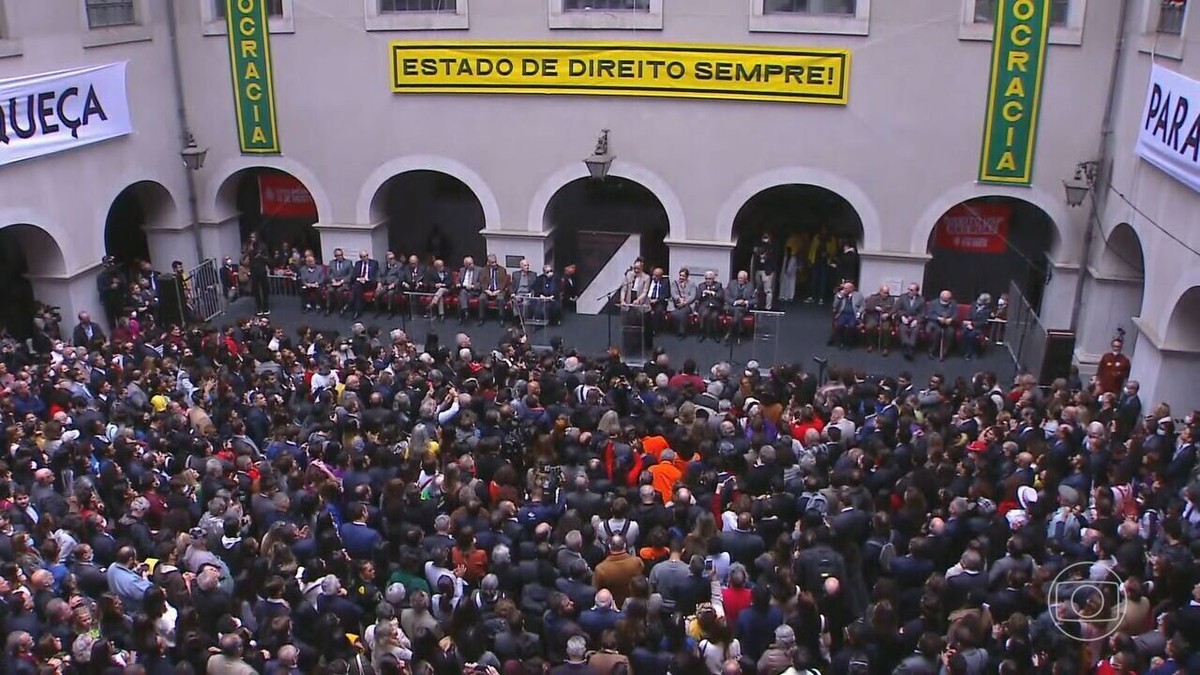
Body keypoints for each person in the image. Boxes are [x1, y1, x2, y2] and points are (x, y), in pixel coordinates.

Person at [896, 283, 926, 360]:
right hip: (904, 318)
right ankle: (906, 345)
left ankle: (911, 347)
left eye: (911, 290)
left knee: (915, 330)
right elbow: (898, 309)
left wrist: (916, 320)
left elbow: (922, 313)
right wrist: (902, 317)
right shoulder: (902, 297)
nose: (909, 291)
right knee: (903, 329)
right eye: (908, 289)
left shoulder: (921, 300)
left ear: (916, 291)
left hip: (914, 319)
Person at [830, 282, 864, 351]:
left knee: (852, 326)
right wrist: (839, 297)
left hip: (853, 314)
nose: (843, 289)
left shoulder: (858, 295)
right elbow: (834, 306)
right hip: (843, 313)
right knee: (840, 325)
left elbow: (863, 306)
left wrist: (859, 313)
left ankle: (850, 343)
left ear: (851, 289)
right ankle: (840, 342)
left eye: (845, 288)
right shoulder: (839, 295)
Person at [724, 270, 755, 344]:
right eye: (739, 278)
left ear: (745, 279)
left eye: (741, 278)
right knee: (738, 311)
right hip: (732, 306)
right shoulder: (731, 284)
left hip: (743, 307)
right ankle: (738, 333)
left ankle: (730, 332)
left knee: (738, 311)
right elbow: (726, 297)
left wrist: (745, 302)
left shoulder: (750, 286)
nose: (739, 280)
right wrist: (735, 302)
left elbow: (755, 299)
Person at [862, 284, 894, 355]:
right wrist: (875, 308)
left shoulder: (891, 299)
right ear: (880, 292)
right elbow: (867, 306)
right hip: (874, 316)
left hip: (885, 317)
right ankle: (871, 344)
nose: (886, 295)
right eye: (885, 293)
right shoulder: (873, 297)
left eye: (887, 293)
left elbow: (892, 309)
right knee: (869, 327)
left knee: (886, 328)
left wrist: (887, 314)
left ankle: (885, 347)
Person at [926, 289, 957, 361]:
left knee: (950, 332)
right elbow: (929, 314)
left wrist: (951, 319)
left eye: (948, 299)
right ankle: (932, 351)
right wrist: (938, 318)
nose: (947, 301)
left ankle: (944, 352)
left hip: (948, 323)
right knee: (937, 332)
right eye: (945, 300)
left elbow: (956, 314)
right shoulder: (933, 303)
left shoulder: (953, 303)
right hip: (935, 322)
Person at [479, 254, 510, 326]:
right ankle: (481, 318)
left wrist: (498, 291)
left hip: (499, 290)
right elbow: (482, 282)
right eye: (492, 262)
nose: (495, 264)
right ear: (488, 263)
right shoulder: (483, 270)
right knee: (481, 298)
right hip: (487, 290)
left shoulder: (502, 270)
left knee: (500, 298)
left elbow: (504, 283)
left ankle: (501, 318)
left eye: (495, 262)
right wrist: (487, 291)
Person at [752, 232, 780, 310]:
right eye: (764, 237)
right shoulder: (759, 246)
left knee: (768, 290)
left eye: (766, 237)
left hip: (767, 271)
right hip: (758, 270)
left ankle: (768, 307)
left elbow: (773, 259)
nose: (765, 239)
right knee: (757, 289)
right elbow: (755, 253)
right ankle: (756, 304)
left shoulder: (772, 248)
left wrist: (765, 255)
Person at [350, 250, 380, 320]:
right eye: (363, 257)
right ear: (360, 257)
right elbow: (354, 276)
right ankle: (357, 310)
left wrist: (366, 279)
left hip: (370, 283)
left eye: (366, 256)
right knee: (358, 286)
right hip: (360, 283)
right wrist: (359, 279)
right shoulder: (358, 264)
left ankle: (352, 305)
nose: (365, 258)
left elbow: (376, 275)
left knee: (356, 287)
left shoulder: (374, 263)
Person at [247, 232, 271, 317]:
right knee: (256, 290)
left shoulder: (263, 246)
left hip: (262, 269)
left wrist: (261, 256)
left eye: (253, 237)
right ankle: (259, 307)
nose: (252, 239)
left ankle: (266, 307)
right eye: (251, 237)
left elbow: (268, 258)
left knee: (264, 289)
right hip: (254, 270)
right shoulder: (250, 247)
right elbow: (248, 258)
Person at [669, 267, 698, 339]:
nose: (681, 277)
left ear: (687, 277)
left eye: (683, 276)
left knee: (682, 313)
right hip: (677, 304)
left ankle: (682, 332)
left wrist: (685, 302)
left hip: (688, 305)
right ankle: (679, 329)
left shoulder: (692, 284)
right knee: (674, 314)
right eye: (680, 275)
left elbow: (692, 296)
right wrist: (679, 299)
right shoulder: (675, 283)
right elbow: (673, 293)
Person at [697, 270, 724, 343]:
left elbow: (721, 296)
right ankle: (702, 333)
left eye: (709, 279)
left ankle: (715, 334)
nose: (708, 280)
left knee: (714, 316)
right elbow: (698, 297)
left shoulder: (718, 285)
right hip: (704, 306)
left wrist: (713, 293)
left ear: (713, 279)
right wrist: (703, 294)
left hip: (715, 306)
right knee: (704, 314)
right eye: (706, 279)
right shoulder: (701, 286)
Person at [325, 248, 353, 317]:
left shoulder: (348, 262)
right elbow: (328, 273)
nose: (340, 256)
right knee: (329, 290)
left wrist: (342, 281)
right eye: (338, 255)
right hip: (334, 282)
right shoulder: (331, 262)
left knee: (339, 290)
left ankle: (341, 308)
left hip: (344, 283)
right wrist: (333, 280)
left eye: (341, 255)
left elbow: (350, 275)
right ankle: (328, 308)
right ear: (335, 256)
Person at [457, 256, 481, 325]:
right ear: (465, 265)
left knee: (461, 297)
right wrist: (458, 283)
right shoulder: (462, 270)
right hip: (464, 288)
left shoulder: (479, 270)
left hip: (474, 291)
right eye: (469, 264)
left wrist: (473, 286)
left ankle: (462, 315)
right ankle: (465, 311)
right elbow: (458, 280)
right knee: (463, 292)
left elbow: (481, 283)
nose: (472, 265)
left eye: (472, 263)